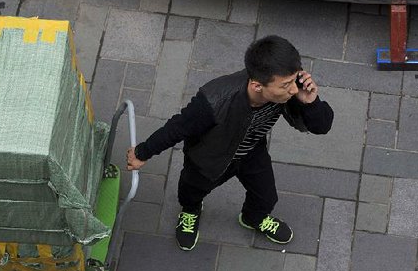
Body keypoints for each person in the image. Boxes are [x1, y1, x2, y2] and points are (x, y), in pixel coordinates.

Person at [126, 35, 334, 251]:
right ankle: (190, 212)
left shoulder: (289, 94)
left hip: (251, 153)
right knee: (191, 191)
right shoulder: (214, 101)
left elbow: (322, 126)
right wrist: (142, 153)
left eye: (294, 80)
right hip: (208, 159)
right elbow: (177, 128)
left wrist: (311, 102)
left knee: (266, 197)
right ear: (257, 86)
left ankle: (253, 218)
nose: (293, 90)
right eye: (286, 85)